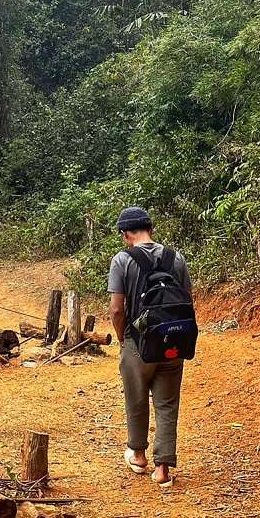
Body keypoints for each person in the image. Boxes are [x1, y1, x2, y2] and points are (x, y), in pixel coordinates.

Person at [108, 206, 193, 491]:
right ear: (150, 229)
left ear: (125, 235)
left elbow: (117, 309)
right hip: (173, 339)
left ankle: (139, 455)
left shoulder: (122, 260)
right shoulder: (176, 257)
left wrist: (122, 338)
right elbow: (187, 300)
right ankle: (163, 469)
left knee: (136, 397)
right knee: (167, 404)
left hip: (138, 341)